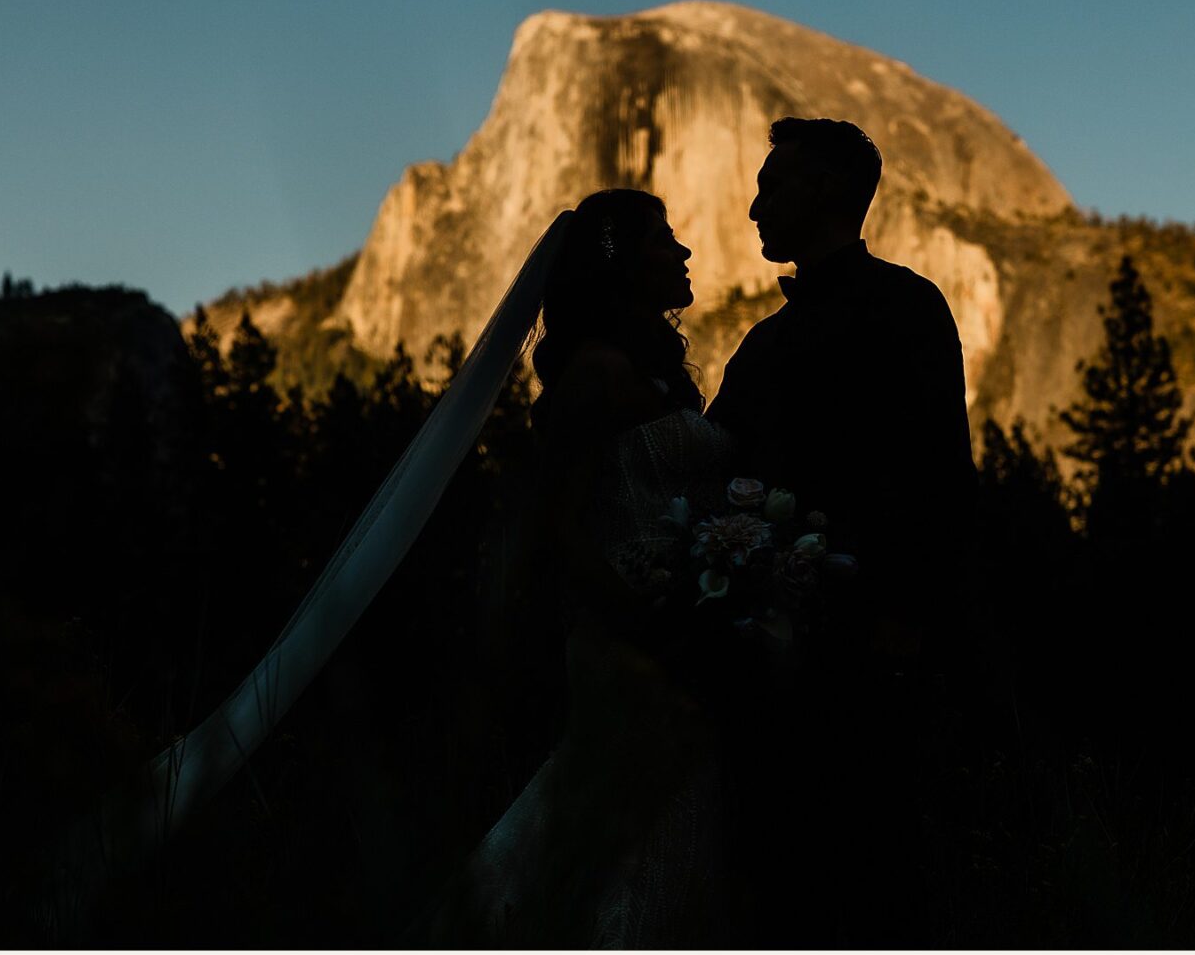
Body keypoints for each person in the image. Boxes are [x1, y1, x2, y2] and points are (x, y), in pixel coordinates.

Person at [413, 188, 736, 947]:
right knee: (639, 852)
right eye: (665, 240)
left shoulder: (650, 371)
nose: (685, 252)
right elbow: (556, 523)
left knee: (668, 846)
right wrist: (646, 619)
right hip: (630, 648)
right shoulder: (594, 374)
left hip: (677, 642)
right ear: (619, 270)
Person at [707, 117, 978, 946]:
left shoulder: (906, 308)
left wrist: (906, 622)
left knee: (872, 882)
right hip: (768, 671)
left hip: (873, 660)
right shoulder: (762, 342)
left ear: (826, 192)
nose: (753, 207)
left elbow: (940, 476)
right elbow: (716, 480)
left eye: (771, 185)